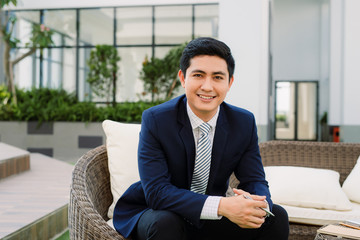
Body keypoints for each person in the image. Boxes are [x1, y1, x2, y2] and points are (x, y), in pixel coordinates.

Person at [113, 37, 289, 240]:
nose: (207, 86)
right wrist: (222, 206)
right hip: (157, 210)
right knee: (165, 223)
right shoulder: (156, 119)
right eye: (198, 75)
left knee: (276, 217)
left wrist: (260, 205)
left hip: (212, 215)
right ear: (183, 78)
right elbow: (157, 192)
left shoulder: (243, 122)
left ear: (230, 82)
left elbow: (254, 179)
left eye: (217, 77)